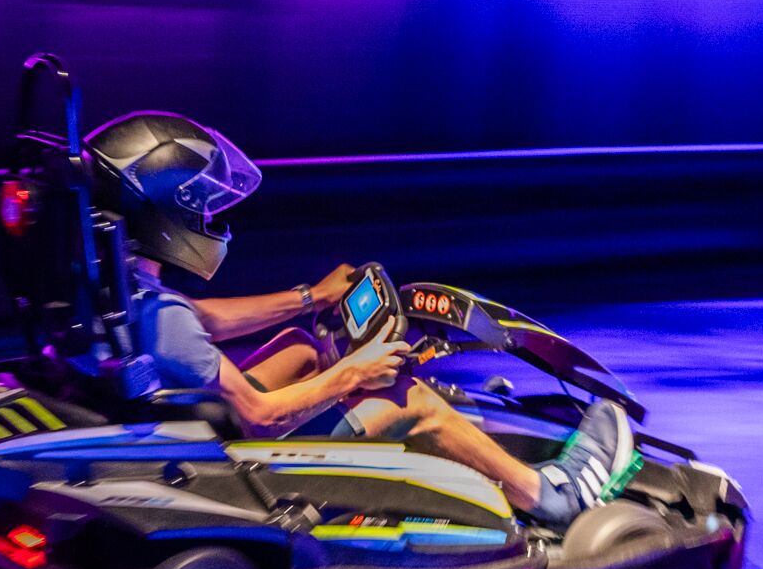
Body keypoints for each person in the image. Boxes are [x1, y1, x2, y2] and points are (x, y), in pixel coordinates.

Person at [84, 110, 638, 527]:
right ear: (164, 212)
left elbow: (203, 322)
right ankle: (550, 496)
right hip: (234, 453)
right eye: (199, 205)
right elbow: (261, 417)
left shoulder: (117, 286)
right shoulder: (159, 313)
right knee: (412, 402)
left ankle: (410, 433)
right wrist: (355, 374)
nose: (209, 217)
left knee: (302, 346)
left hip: (188, 421)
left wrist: (311, 297)